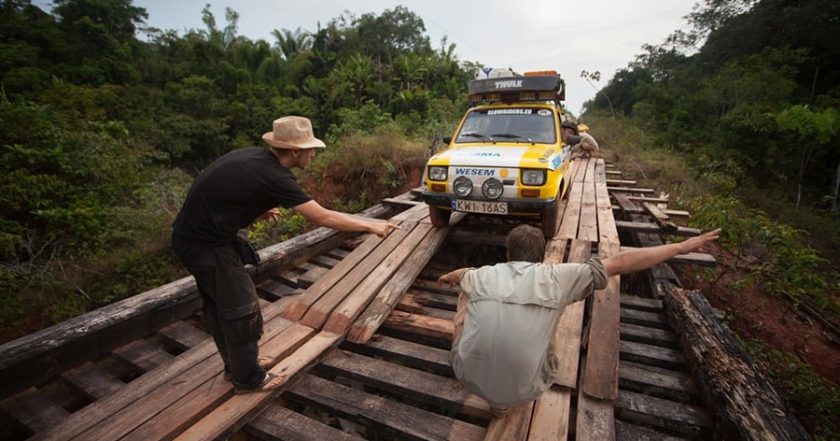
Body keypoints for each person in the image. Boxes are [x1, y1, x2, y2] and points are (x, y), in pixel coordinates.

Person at [171, 115, 400, 394]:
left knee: (221, 307)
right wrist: (371, 224)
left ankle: (237, 365)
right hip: (205, 247)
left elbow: (226, 188)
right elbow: (323, 216)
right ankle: (248, 379)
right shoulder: (274, 176)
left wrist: (261, 207)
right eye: (310, 149)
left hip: (193, 238)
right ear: (295, 152)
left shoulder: (255, 159)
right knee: (242, 310)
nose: (314, 154)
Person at [438, 224, 720, 416]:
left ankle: (495, 397)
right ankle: (505, 399)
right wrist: (681, 246)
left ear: (508, 253)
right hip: (527, 387)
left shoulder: (481, 275)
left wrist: (448, 277)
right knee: (553, 318)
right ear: (543, 255)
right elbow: (621, 262)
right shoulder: (559, 278)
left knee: (466, 296)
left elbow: (463, 274)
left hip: (469, 376)